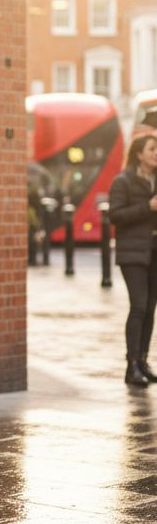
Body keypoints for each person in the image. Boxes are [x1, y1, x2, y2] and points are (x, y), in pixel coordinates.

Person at [109, 134, 157, 386]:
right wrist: (147, 208)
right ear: (139, 153)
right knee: (138, 306)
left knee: (150, 309)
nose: (156, 153)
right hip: (132, 254)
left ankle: (143, 361)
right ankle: (131, 366)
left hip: (154, 252)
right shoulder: (123, 181)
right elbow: (115, 216)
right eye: (152, 149)